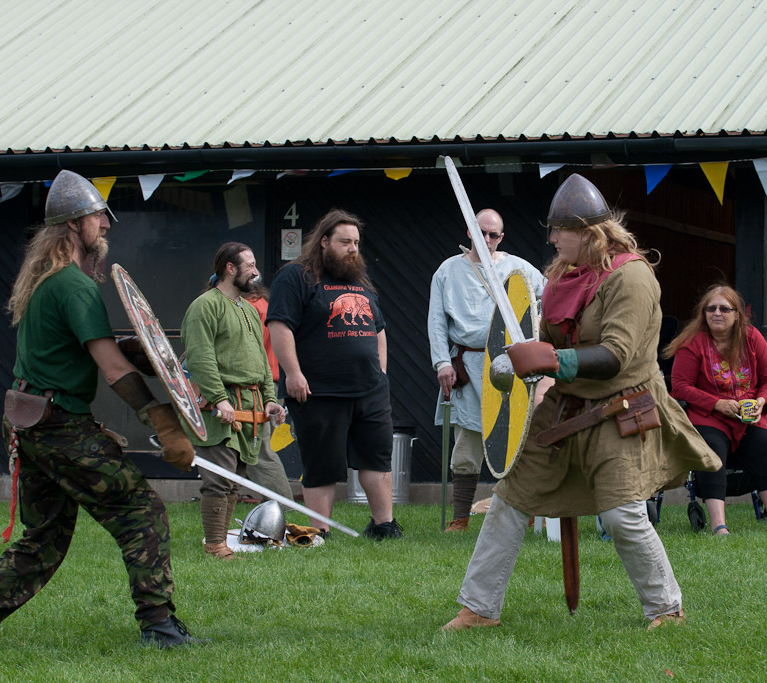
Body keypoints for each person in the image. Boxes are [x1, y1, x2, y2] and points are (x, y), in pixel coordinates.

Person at [442, 174, 719, 632]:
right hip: (566, 408)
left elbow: (615, 355)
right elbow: (549, 341)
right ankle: (479, 608)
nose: (551, 239)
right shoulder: (561, 278)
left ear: (589, 234)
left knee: (622, 512)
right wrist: (528, 359)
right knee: (509, 500)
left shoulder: (631, 277)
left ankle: (666, 608)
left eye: (559, 231)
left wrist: (548, 359)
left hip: (621, 410)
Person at [0, 170, 199, 649]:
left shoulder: (49, 283)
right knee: (141, 510)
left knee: (45, 539)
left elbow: (91, 349)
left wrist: (144, 352)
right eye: (99, 216)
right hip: (57, 424)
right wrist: (161, 419)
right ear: (73, 224)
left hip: (27, 418)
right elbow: (111, 368)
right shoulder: (75, 287)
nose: (106, 224)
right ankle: (159, 627)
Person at [267, 209, 402, 540]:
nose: (353, 249)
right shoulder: (296, 277)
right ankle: (318, 531)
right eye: (345, 242)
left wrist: (380, 375)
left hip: (369, 391)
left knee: (378, 459)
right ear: (324, 241)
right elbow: (279, 326)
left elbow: (378, 329)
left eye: (356, 242)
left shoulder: (360, 283)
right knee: (321, 464)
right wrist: (293, 374)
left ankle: (384, 526)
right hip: (318, 391)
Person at [427, 208, 545, 532]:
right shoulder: (448, 271)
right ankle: (461, 517)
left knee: (517, 438)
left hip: (511, 364)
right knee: (467, 442)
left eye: (494, 234)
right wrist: (442, 363)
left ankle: (524, 514)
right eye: (482, 232)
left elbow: (546, 297)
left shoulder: (517, 268)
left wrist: (538, 339)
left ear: (501, 237)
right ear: (469, 232)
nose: (488, 239)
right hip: (467, 363)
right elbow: (437, 322)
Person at [180, 243, 283, 559]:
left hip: (249, 408)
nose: (256, 271)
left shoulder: (249, 309)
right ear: (229, 268)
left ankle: (220, 542)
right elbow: (200, 358)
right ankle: (214, 544)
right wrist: (220, 399)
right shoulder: (205, 306)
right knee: (220, 479)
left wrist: (269, 399)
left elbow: (262, 363)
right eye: (250, 265)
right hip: (219, 409)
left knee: (234, 480)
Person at [665, 285, 767, 534]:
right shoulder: (693, 343)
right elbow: (679, 387)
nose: (717, 313)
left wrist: (762, 402)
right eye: (711, 309)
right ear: (703, 314)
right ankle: (719, 526)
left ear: (737, 315)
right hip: (710, 415)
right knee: (711, 448)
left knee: (766, 443)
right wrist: (716, 403)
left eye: (724, 308)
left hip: (749, 415)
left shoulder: (752, 337)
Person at [241, 281, 293, 500]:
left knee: (258, 450)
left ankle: (283, 505)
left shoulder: (248, 308)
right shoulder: (266, 305)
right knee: (250, 446)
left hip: (255, 384)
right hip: (269, 382)